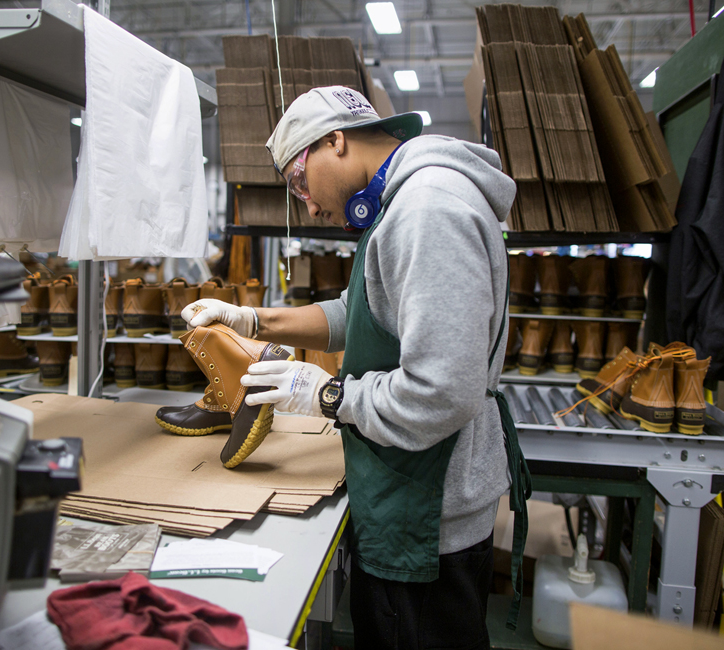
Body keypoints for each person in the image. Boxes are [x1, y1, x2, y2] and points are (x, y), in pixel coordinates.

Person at [182, 86, 530, 650]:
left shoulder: (427, 209)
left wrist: (327, 396)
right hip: (410, 482)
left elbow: (442, 392)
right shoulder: (402, 201)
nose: (308, 206)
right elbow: (360, 310)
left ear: (336, 141)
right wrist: (252, 319)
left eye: (300, 183)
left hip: (426, 512)